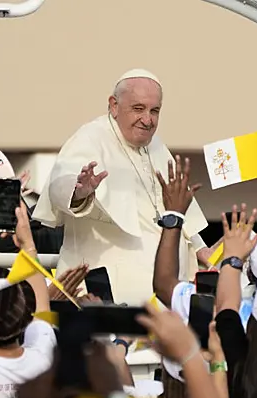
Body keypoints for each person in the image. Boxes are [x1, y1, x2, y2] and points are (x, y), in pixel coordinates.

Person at [33, 68, 209, 305]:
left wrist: (201, 249)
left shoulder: (157, 147)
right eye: (138, 109)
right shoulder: (90, 138)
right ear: (114, 105)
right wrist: (79, 192)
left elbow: (176, 213)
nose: (148, 120)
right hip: (105, 299)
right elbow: (59, 184)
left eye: (154, 111)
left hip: (161, 303)